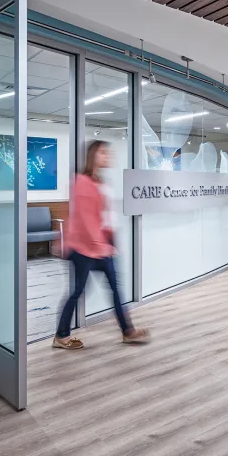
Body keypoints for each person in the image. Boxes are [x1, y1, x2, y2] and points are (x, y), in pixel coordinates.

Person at [53, 140, 149, 350]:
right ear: (92, 156)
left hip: (101, 246)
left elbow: (104, 217)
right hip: (83, 248)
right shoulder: (82, 182)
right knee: (78, 291)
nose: (107, 156)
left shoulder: (99, 182)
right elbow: (86, 220)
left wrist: (111, 241)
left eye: (108, 153)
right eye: (103, 153)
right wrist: (101, 244)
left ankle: (128, 331)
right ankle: (61, 336)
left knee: (114, 288)